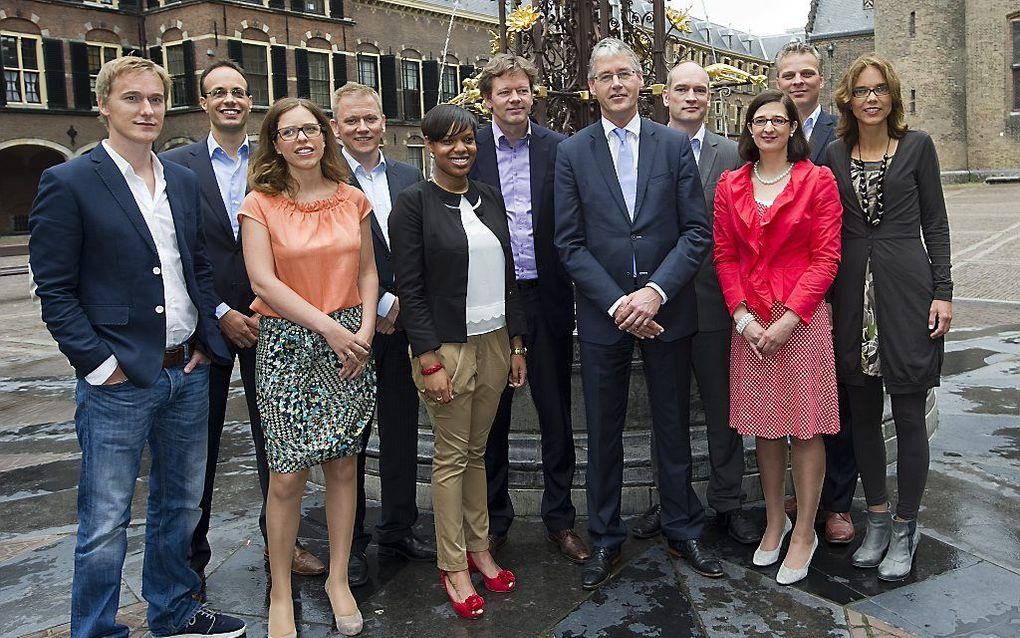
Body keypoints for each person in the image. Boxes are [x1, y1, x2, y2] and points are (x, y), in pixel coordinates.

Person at [28, 56, 244, 638]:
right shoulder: (69, 181)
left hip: (187, 370)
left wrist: (204, 340)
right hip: (118, 380)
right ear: (103, 105)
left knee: (180, 505)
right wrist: (98, 365)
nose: (147, 110)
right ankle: (96, 630)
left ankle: (173, 611)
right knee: (105, 519)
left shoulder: (182, 177)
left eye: (155, 99)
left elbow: (194, 264)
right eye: (132, 99)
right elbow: (54, 287)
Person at [553, 38, 718, 591]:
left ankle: (682, 525)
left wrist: (655, 292)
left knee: (673, 424)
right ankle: (604, 537)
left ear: (641, 82)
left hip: (667, 309)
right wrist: (620, 303)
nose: (617, 84)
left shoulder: (673, 146)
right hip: (604, 316)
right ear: (592, 87)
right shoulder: (572, 152)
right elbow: (569, 243)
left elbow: (697, 231)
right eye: (606, 76)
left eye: (626, 74)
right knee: (603, 431)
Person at [161, 60, 325, 588]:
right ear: (203, 102)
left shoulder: (275, 162)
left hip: (274, 322)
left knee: (279, 440)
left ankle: (285, 542)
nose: (230, 99)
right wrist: (219, 312)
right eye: (218, 93)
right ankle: (191, 558)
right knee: (198, 447)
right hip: (209, 325)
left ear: (249, 101)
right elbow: (180, 252)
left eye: (238, 91)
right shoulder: (176, 166)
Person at [239, 97, 378, 637]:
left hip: (351, 345)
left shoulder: (353, 200)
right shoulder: (260, 203)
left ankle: (338, 578)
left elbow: (368, 270)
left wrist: (363, 329)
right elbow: (263, 282)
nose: (303, 139)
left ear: (326, 137)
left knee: (344, 465)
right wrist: (329, 327)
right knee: (287, 475)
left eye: (312, 129)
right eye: (290, 132)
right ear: (275, 142)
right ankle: (279, 590)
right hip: (289, 344)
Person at [389, 104, 527, 619]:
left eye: (467, 139)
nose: (460, 148)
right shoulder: (412, 205)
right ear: (429, 147)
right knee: (451, 458)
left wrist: (517, 344)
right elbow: (411, 288)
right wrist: (428, 357)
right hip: (446, 347)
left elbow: (509, 276)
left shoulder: (487, 197)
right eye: (447, 141)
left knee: (477, 452)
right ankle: (453, 564)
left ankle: (480, 546)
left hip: (494, 342)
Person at [823, 54, 953, 581]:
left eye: (879, 90)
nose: (871, 98)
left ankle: (905, 524)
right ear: (848, 100)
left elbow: (937, 223)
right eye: (861, 90)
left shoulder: (918, 147)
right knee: (862, 415)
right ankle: (875, 517)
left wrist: (943, 292)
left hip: (907, 292)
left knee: (908, 412)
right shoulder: (833, 153)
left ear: (892, 97)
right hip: (851, 297)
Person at [713, 89, 842, 585]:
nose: (768, 128)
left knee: (805, 430)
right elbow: (725, 255)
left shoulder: (818, 181)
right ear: (749, 129)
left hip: (802, 322)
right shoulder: (730, 184)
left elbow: (826, 257)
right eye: (759, 120)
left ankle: (805, 529)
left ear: (793, 128)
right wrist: (743, 317)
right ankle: (774, 520)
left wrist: (789, 317)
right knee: (766, 431)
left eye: (777, 120)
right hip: (750, 324)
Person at [631, 60, 761, 546]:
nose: (691, 97)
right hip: (656, 307)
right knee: (667, 414)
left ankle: (728, 501)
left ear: (710, 97)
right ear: (664, 96)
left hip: (712, 304)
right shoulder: (639, 146)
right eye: (681, 89)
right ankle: (672, 501)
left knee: (724, 411)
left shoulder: (732, 153)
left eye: (700, 90)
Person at [469, 54, 590, 563]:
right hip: (490, 298)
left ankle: (559, 519)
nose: (514, 99)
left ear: (533, 94)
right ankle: (496, 520)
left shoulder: (559, 149)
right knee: (491, 415)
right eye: (503, 92)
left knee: (555, 411)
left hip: (548, 297)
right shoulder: (467, 146)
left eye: (521, 90)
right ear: (487, 99)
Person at [330, 82, 437, 587]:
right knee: (348, 439)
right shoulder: (325, 182)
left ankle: (398, 526)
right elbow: (327, 259)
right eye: (351, 121)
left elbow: (419, 247)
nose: (363, 128)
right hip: (349, 330)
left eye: (370, 118)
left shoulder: (406, 174)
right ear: (336, 127)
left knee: (400, 431)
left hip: (403, 329)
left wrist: (407, 305)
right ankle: (349, 544)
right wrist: (382, 302)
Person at [775, 41, 856, 545]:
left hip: (836, 282)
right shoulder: (765, 134)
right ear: (777, 81)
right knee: (788, 404)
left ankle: (836, 504)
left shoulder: (839, 134)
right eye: (789, 75)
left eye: (807, 74)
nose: (798, 82)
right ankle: (802, 496)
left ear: (821, 80)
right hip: (779, 292)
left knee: (836, 397)